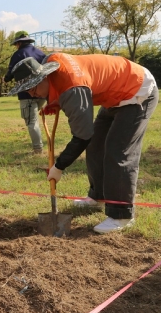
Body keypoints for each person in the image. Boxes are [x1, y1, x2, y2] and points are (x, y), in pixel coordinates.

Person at [8, 54, 158, 234]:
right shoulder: (53, 66)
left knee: (118, 152)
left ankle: (122, 215)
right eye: (28, 91)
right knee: (95, 145)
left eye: (33, 88)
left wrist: (59, 166)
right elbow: (68, 90)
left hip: (137, 90)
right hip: (115, 94)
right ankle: (98, 196)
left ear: (44, 76)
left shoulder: (72, 87)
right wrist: (55, 102)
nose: (32, 94)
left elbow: (82, 135)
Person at [4, 31, 47, 154]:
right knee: (33, 119)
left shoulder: (18, 54)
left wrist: (6, 79)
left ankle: (38, 149)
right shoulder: (40, 53)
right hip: (43, 92)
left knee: (31, 121)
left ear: (18, 43)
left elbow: (11, 72)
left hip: (27, 93)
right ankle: (38, 146)